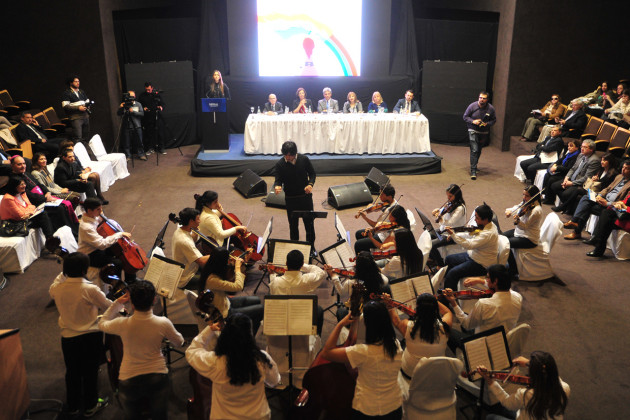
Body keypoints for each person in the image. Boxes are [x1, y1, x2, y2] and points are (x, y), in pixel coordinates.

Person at [98, 280, 184, 420]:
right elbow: (179, 342)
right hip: (157, 377)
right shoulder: (163, 323)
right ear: (154, 300)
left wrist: (117, 303)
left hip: (128, 379)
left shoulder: (122, 324)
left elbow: (102, 323)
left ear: (131, 302)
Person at [49, 252, 112, 417]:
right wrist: (120, 304)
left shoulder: (56, 288)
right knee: (90, 371)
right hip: (90, 336)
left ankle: (73, 405)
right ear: (85, 270)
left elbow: (58, 279)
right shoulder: (90, 289)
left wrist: (65, 269)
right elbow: (108, 306)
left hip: (68, 337)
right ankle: (91, 405)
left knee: (72, 371)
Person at [186, 313, 280, 420]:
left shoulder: (215, 362)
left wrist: (209, 330)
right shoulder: (262, 358)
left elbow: (191, 351)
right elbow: (274, 381)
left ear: (226, 335)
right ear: (249, 336)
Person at [320, 300, 403, 420]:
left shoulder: (363, 352)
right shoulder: (396, 344)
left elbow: (326, 352)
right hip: (394, 407)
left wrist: (340, 325)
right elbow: (353, 339)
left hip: (367, 409)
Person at [443, 264, 522, 349]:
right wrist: (480, 281)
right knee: (469, 317)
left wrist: (453, 303)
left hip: (484, 344)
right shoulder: (518, 297)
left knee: (445, 329)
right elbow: (503, 287)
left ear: (495, 281)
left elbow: (466, 324)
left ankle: (466, 355)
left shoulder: (484, 304)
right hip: (503, 339)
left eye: (487, 277)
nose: (486, 280)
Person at [479, 351, 569, 420]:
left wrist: (490, 380)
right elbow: (550, 373)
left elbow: (507, 402)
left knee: (490, 417)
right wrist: (529, 363)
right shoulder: (565, 388)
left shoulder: (527, 394)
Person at [2, 156, 79, 236]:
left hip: (43, 198)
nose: (23, 166)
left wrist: (47, 192)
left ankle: (72, 231)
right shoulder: (14, 180)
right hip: (36, 202)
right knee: (60, 208)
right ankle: (66, 234)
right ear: (12, 166)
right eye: (19, 164)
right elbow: (29, 195)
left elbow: (40, 185)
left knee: (63, 205)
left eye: (24, 163)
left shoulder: (26, 174)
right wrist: (45, 198)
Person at [387, 293, 452, 388]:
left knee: (403, 345)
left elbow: (396, 321)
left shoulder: (407, 326)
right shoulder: (445, 327)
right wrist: (432, 300)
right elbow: (447, 312)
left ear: (418, 308)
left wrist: (389, 305)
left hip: (411, 373)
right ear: (435, 309)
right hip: (436, 374)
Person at [198, 247, 264, 334]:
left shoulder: (211, 268)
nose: (229, 260)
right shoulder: (212, 279)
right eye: (227, 259)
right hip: (224, 313)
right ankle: (249, 337)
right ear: (221, 262)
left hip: (226, 302)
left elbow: (234, 276)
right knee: (260, 309)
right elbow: (238, 286)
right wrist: (237, 267)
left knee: (257, 300)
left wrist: (243, 263)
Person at [563, 159, 630, 240]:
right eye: (623, 167)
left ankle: (576, 230)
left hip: (611, 207)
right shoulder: (619, 177)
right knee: (586, 197)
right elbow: (607, 188)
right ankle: (574, 222)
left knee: (587, 206)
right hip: (603, 199)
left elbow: (624, 202)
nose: (623, 170)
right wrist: (599, 195)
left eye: (626, 168)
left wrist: (607, 203)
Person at [269, 249, 329, 334]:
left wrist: (271, 273)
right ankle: (316, 336)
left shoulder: (275, 281)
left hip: (281, 317)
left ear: (286, 264)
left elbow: (272, 291)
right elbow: (321, 273)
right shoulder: (307, 280)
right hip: (300, 314)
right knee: (318, 310)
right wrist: (305, 266)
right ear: (301, 264)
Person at [78, 197, 137, 283]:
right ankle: (117, 286)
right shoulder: (86, 227)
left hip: (97, 248)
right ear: (90, 210)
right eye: (98, 209)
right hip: (90, 255)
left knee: (123, 252)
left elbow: (105, 222)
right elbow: (102, 244)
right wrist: (119, 234)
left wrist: (102, 216)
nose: (101, 211)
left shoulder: (93, 215)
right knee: (117, 263)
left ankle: (131, 280)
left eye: (101, 208)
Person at [443, 203, 499, 290]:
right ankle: (450, 284)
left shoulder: (488, 233)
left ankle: (449, 298)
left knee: (452, 273)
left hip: (481, 264)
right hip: (473, 255)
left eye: (477, 218)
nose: (475, 220)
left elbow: (469, 245)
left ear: (485, 219)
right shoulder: (485, 225)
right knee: (449, 259)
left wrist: (454, 235)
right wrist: (456, 235)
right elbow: (470, 234)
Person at [273, 141, 316, 244]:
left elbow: (312, 174)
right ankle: (294, 245)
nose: (287, 158)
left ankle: (311, 246)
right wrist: (277, 186)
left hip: (305, 197)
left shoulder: (304, 159)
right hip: (290, 199)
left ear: (294, 153)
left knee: (309, 224)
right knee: (293, 225)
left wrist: (310, 184)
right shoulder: (280, 164)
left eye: (290, 155)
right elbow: (278, 179)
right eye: (285, 155)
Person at [551, 153, 618, 214]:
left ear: (610, 162)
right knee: (576, 190)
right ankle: (565, 207)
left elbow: (607, 187)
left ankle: (563, 207)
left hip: (599, 194)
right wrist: (594, 179)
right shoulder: (601, 170)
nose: (602, 162)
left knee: (578, 190)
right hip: (592, 189)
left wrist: (598, 181)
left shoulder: (613, 174)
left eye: (604, 161)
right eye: (602, 160)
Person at [548, 139, 600, 211]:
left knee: (565, 194)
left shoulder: (594, 160)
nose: (582, 148)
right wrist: (566, 178)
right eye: (582, 146)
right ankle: (567, 206)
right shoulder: (581, 155)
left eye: (585, 147)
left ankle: (565, 207)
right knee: (554, 186)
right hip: (572, 179)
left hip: (580, 183)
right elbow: (573, 168)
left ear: (591, 149)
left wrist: (571, 183)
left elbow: (587, 178)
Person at [503, 186, 543, 277]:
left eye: (527, 196)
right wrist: (509, 211)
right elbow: (518, 207)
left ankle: (513, 270)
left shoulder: (536, 210)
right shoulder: (527, 203)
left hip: (529, 238)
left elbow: (525, 226)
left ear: (534, 196)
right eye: (523, 195)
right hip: (520, 232)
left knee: (505, 243)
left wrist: (517, 221)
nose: (524, 198)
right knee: (501, 237)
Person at [0, 175, 55, 239]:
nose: (24, 186)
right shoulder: (8, 199)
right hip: (14, 223)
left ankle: (50, 239)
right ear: (14, 186)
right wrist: (31, 211)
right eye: (21, 184)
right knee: (43, 215)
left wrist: (29, 211)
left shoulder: (22, 193)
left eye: (24, 183)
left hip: (25, 219)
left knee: (47, 213)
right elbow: (20, 215)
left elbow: (31, 206)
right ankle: (50, 239)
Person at [170, 208, 210, 291]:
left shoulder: (180, 230)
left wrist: (195, 233)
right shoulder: (184, 241)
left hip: (188, 268)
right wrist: (217, 253)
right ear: (191, 221)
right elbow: (202, 262)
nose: (200, 221)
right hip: (186, 278)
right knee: (214, 281)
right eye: (198, 219)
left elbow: (192, 241)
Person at [428, 184, 468, 266]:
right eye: (447, 196)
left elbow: (450, 222)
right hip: (445, 229)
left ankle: (440, 264)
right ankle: (433, 258)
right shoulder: (451, 203)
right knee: (429, 234)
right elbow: (443, 210)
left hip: (453, 233)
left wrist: (440, 217)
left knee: (431, 244)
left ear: (456, 195)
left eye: (450, 196)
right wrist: (437, 210)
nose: (448, 199)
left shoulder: (460, 208)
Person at [463, 91, 496, 179]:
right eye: (480, 98)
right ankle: (473, 170)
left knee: (479, 150)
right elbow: (465, 117)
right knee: (474, 149)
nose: (481, 100)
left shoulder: (491, 109)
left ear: (487, 100)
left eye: (484, 98)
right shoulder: (472, 106)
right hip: (472, 130)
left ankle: (475, 165)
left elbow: (493, 120)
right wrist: (473, 121)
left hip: (483, 132)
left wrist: (487, 124)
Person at [585, 193, 630, 257]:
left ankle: (597, 244)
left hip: (628, 220)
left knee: (607, 218)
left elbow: (625, 206)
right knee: (606, 213)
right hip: (624, 216)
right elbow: (625, 201)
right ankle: (597, 243)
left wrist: (625, 207)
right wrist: (619, 203)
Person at [541, 139, 581, 204]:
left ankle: (550, 199)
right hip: (561, 171)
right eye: (568, 146)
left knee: (551, 179)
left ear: (576, 147)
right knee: (547, 175)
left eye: (571, 146)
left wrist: (556, 168)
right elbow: (561, 160)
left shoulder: (576, 156)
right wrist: (555, 164)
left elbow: (568, 168)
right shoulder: (569, 153)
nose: (569, 148)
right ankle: (545, 195)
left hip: (566, 174)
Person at [137, 82, 167, 155]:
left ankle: (161, 148)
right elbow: (139, 105)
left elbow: (162, 104)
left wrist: (161, 107)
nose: (148, 91)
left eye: (149, 89)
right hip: (148, 117)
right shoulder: (142, 96)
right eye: (146, 89)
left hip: (157, 116)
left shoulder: (157, 95)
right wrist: (144, 108)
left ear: (152, 88)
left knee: (160, 133)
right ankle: (150, 148)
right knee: (149, 133)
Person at [117, 91, 147, 161]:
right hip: (127, 126)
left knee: (139, 141)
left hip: (137, 126)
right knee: (126, 142)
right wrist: (121, 108)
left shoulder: (138, 104)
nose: (131, 98)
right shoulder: (124, 105)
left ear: (135, 97)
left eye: (132, 96)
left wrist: (133, 112)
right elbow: (118, 114)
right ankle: (128, 155)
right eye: (130, 96)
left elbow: (142, 114)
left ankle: (141, 154)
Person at [61, 76, 91, 142]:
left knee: (85, 137)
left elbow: (87, 101)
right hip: (76, 117)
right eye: (76, 81)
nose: (78, 83)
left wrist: (88, 105)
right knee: (78, 137)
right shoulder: (67, 93)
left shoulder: (81, 91)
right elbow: (65, 106)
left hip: (85, 116)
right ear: (71, 83)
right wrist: (78, 108)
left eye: (78, 81)